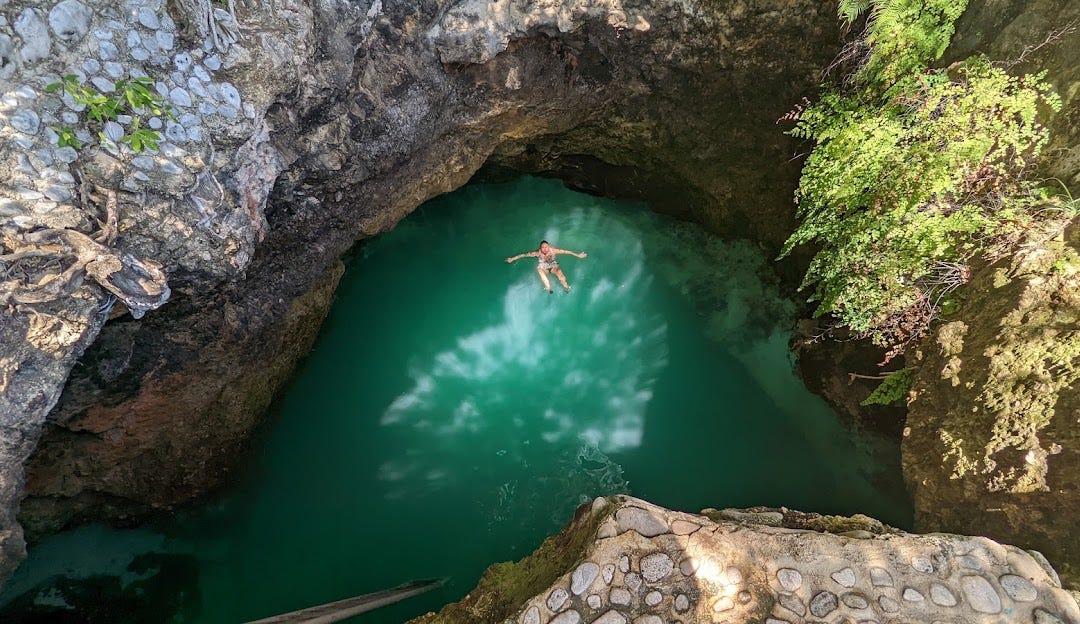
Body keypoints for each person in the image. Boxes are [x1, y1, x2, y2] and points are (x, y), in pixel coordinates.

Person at [506, 240, 587, 293]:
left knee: (561, 277)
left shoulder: (554, 250)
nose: (544, 249)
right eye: (542, 247)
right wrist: (512, 259)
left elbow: (567, 252)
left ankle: (566, 287)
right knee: (540, 270)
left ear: (549, 247)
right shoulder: (537, 252)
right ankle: (548, 287)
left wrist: (578, 255)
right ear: (540, 248)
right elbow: (524, 255)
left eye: (546, 247)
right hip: (543, 266)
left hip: (553, 265)